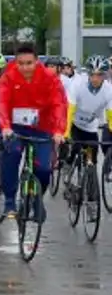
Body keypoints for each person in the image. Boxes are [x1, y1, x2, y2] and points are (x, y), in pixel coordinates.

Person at [0, 44, 66, 218]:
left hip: (42, 128)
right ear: (15, 62)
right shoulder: (8, 77)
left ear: (37, 62)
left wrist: (58, 130)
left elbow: (59, 104)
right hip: (16, 128)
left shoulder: (50, 78)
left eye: (29, 63)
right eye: (21, 63)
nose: (25, 68)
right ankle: (10, 200)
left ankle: (37, 198)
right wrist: (5, 126)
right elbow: (1, 102)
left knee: (44, 168)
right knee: (10, 156)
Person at [64, 55, 112, 214]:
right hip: (75, 123)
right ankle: (69, 166)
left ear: (105, 75)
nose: (95, 78)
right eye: (92, 74)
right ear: (88, 74)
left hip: (91, 127)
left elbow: (110, 115)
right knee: (75, 148)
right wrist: (65, 133)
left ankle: (91, 202)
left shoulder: (108, 90)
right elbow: (69, 110)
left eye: (99, 75)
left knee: (91, 162)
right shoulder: (78, 84)